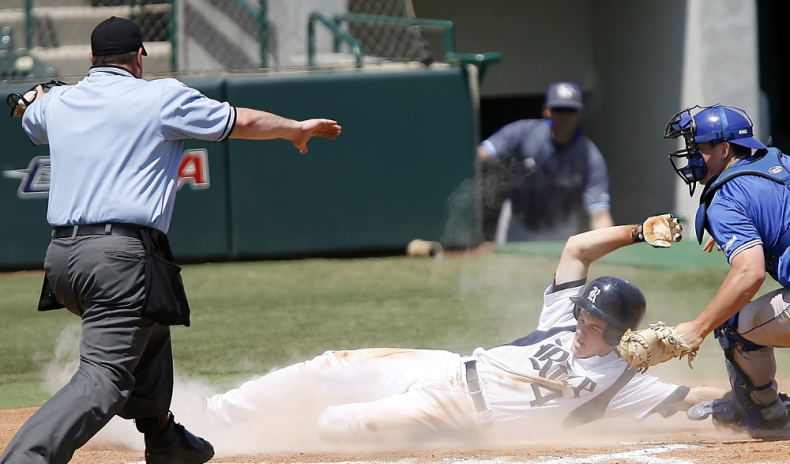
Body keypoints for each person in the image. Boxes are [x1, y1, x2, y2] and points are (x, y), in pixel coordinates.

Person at [0, 16, 341, 464]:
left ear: (91, 59)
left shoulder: (59, 102)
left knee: (152, 324)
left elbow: (30, 117)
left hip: (63, 261)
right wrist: (294, 128)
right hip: (119, 258)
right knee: (105, 377)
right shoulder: (161, 96)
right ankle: (26, 459)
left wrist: (37, 98)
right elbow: (244, 121)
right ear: (140, 57)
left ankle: (165, 439)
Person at [202, 216, 726, 446]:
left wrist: (756, 394)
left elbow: (694, 394)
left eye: (594, 325)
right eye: (582, 316)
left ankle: (266, 437)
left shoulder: (625, 382)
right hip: (447, 367)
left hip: (458, 412)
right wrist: (638, 231)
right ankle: (214, 417)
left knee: (335, 426)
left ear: (619, 333)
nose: (581, 328)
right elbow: (575, 248)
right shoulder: (562, 322)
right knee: (327, 367)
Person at [663, 104, 790, 436]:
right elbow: (773, 212)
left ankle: (767, 415)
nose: (691, 156)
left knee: (731, 325)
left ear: (724, 149)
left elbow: (750, 273)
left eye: (698, 148)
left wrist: (699, 327)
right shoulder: (782, 163)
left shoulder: (726, 198)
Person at [477, 81, 614, 243]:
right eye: (558, 109)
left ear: (580, 113)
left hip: (561, 231)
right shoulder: (522, 132)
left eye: (571, 110)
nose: (564, 115)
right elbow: (481, 154)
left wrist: (610, 251)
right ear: (547, 111)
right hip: (517, 225)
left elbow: (599, 214)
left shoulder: (590, 157)